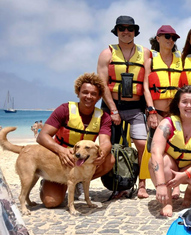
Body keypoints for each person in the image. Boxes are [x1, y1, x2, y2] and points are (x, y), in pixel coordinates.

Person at [36, 73, 115, 208]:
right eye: (85, 92)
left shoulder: (103, 117)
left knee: (110, 160)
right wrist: (61, 150)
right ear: (78, 93)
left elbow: (105, 142)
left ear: (99, 97)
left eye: (93, 94)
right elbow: (42, 136)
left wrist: (103, 153)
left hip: (83, 159)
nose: (88, 97)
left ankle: (78, 181)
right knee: (51, 202)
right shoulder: (64, 110)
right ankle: (49, 181)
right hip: (61, 161)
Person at [97, 16, 151, 198]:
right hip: (112, 107)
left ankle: (142, 183)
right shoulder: (107, 53)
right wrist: (112, 110)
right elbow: (102, 84)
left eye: (130, 28)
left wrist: (150, 110)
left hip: (136, 108)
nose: (126, 32)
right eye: (122, 28)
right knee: (110, 148)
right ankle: (118, 183)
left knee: (143, 145)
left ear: (135, 31)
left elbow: (147, 82)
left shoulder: (145, 53)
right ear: (116, 31)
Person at [148, 86, 191, 217]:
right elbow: (156, 152)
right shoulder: (167, 124)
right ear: (178, 104)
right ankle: (167, 201)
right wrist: (160, 184)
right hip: (171, 166)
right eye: (184, 102)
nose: (189, 106)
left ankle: (189, 191)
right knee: (163, 161)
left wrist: (184, 175)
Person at [139, 25, 183, 199]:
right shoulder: (150, 61)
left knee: (176, 148)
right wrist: (150, 111)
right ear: (158, 39)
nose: (170, 40)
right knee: (152, 147)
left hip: (175, 113)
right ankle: (144, 184)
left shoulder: (180, 61)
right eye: (167, 37)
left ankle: (176, 185)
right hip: (156, 111)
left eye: (173, 38)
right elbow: (146, 87)